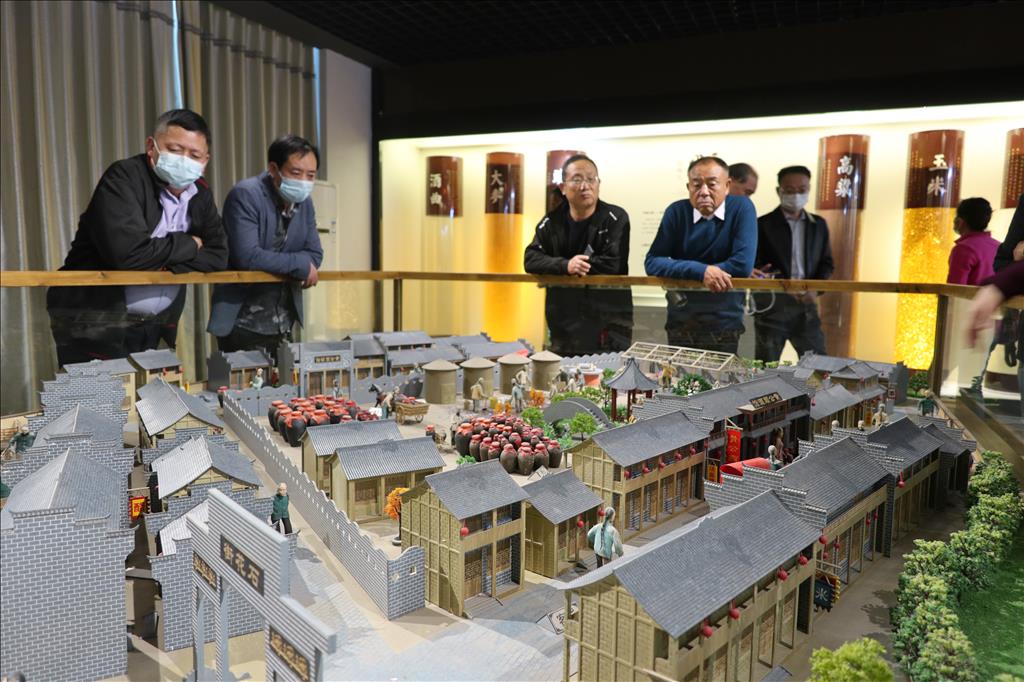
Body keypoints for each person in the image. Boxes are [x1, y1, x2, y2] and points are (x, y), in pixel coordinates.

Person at [46, 109, 228, 366]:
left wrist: (162, 260)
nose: (184, 160)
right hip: (94, 320)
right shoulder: (123, 177)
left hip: (155, 325)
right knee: (93, 391)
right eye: (175, 150)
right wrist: (190, 244)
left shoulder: (201, 192)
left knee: (148, 391)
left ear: (205, 160)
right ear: (151, 147)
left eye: (194, 155)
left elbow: (219, 255)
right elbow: (127, 255)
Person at [208, 135, 323, 362]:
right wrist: (300, 264)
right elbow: (248, 257)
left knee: (284, 382)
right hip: (242, 321)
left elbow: (315, 254)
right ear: (273, 169)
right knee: (245, 383)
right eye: (296, 173)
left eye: (310, 175)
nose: (304, 181)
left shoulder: (305, 202)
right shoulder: (246, 194)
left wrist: (294, 263)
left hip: (284, 319)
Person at [645, 156, 757, 353]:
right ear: (688, 186)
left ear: (727, 186)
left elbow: (742, 265)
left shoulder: (741, 208)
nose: (704, 191)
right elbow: (653, 262)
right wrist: (701, 271)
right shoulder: (677, 211)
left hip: (724, 321)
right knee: (679, 373)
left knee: (721, 373)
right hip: (681, 319)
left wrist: (692, 271)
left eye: (712, 184)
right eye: (696, 185)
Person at [524, 154, 633, 356]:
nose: (585, 186)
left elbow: (614, 264)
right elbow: (531, 259)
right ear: (563, 187)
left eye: (591, 179)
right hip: (564, 320)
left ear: (598, 184)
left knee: (609, 372)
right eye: (577, 179)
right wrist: (565, 265)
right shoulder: (552, 221)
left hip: (609, 319)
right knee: (562, 373)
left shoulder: (615, 217)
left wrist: (577, 266)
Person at [751, 166, 834, 362]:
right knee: (766, 365)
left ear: (809, 189)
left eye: (802, 189)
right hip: (772, 306)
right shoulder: (762, 224)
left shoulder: (818, 224)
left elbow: (826, 263)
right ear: (778, 191)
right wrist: (783, 285)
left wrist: (815, 289)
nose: (796, 195)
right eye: (789, 190)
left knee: (818, 364)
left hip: (807, 306)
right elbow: (757, 264)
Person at [947, 197, 999, 285]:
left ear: (960, 221)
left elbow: (955, 288)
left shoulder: (963, 249)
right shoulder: (999, 246)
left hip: (971, 295)